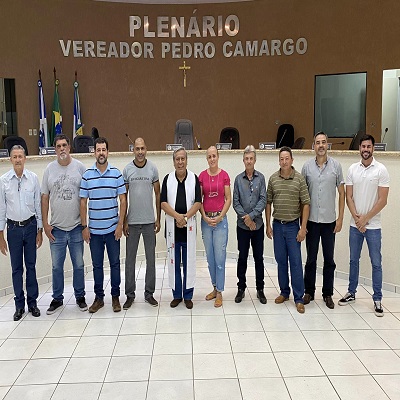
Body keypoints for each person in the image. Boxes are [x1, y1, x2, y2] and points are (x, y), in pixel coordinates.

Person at [339, 134, 389, 317]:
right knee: (354, 260)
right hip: (355, 226)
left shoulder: (381, 170)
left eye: (368, 146)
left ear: (373, 148)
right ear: (359, 148)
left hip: (373, 226)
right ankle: (351, 292)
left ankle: (377, 299)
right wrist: (357, 219)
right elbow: (348, 196)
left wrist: (365, 219)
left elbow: (383, 200)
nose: (365, 149)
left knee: (376, 263)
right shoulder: (353, 169)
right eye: (363, 146)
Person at [41, 134, 87, 314]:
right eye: (58, 146)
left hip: (76, 227)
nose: (61, 149)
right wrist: (45, 224)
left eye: (64, 145)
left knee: (79, 265)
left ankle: (80, 297)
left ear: (69, 147)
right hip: (57, 229)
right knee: (56, 267)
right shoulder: (49, 169)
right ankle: (57, 299)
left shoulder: (80, 168)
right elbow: (44, 198)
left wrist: (85, 224)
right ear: (55, 149)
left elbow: (85, 198)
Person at [80, 137, 127, 313]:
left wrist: (120, 224)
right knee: (97, 266)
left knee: (115, 264)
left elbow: (123, 200)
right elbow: (83, 202)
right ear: (94, 152)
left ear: (108, 152)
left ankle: (115, 297)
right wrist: (84, 227)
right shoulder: (87, 175)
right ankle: (99, 298)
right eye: (98, 150)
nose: (101, 153)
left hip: (113, 230)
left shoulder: (116, 173)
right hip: (94, 232)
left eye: (104, 150)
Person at [301, 132, 345, 309]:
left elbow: (342, 193)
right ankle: (309, 291)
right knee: (311, 259)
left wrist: (340, 218)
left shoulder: (336, 166)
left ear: (328, 145)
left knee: (329, 260)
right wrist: (302, 222)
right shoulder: (306, 167)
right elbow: (302, 196)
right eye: (318, 142)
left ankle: (327, 294)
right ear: (313, 146)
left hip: (329, 222)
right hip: (311, 221)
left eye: (323, 142)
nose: (321, 145)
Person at [265, 146, 310, 314]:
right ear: (279, 161)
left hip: (293, 226)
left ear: (292, 160)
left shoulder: (299, 179)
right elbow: (268, 202)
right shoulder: (273, 179)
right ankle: (284, 292)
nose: (284, 162)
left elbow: (306, 203)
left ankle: (299, 298)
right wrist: (268, 224)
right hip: (277, 225)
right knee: (281, 261)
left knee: (296, 262)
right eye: (281, 159)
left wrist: (303, 227)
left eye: (287, 158)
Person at [0, 145, 43, 321]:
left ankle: (32, 303)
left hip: (31, 226)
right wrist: (0, 235)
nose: (18, 160)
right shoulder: (3, 181)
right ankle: (19, 305)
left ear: (25, 158)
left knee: (31, 266)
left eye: (20, 156)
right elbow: (1, 209)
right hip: (13, 230)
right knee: (16, 268)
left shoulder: (33, 179)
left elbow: (38, 205)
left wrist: (40, 230)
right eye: (15, 157)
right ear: (10, 159)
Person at [160, 147, 201, 309]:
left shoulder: (194, 178)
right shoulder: (167, 179)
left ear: (187, 161)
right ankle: (177, 295)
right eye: (177, 159)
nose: (180, 162)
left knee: (189, 263)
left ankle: (188, 295)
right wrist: (178, 216)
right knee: (174, 263)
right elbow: (163, 203)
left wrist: (185, 218)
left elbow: (198, 202)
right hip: (173, 230)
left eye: (183, 159)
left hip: (188, 228)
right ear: (173, 162)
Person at [122, 137, 161, 309]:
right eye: (137, 149)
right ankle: (130, 295)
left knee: (151, 260)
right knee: (130, 261)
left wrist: (158, 218)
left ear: (146, 149)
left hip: (149, 223)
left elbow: (158, 194)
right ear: (133, 150)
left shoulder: (152, 168)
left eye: (142, 148)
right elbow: (123, 198)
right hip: (132, 223)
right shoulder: (127, 170)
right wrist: (124, 221)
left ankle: (149, 294)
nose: (140, 152)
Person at [233, 145, 267, 304]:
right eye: (246, 158)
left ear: (255, 160)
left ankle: (260, 289)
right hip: (242, 227)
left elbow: (263, 200)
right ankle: (241, 288)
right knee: (242, 257)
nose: (248, 161)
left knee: (259, 258)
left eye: (251, 158)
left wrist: (251, 217)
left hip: (257, 226)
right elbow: (235, 202)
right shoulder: (238, 179)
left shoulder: (261, 178)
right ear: (243, 160)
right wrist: (246, 219)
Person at [199, 146, 231, 308]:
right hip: (206, 221)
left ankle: (219, 291)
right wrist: (204, 216)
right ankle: (214, 286)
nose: (212, 159)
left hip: (220, 221)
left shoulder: (224, 175)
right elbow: (199, 200)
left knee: (219, 258)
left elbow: (228, 199)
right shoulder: (202, 176)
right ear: (207, 159)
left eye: (214, 156)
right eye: (209, 157)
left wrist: (220, 217)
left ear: (218, 157)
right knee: (210, 258)